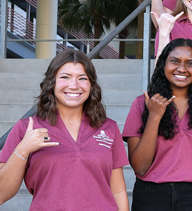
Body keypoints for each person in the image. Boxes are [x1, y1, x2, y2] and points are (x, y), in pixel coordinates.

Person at [0, 50, 128, 210]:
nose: (74, 85)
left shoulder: (109, 128)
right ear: (51, 82)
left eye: (82, 78)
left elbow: (118, 190)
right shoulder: (26, 128)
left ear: (91, 84)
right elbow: (1, 194)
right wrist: (23, 149)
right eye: (65, 77)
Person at [124, 39, 192, 210]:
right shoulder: (142, 104)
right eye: (174, 61)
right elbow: (139, 167)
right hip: (151, 195)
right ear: (163, 64)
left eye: (190, 63)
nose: (182, 69)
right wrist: (154, 116)